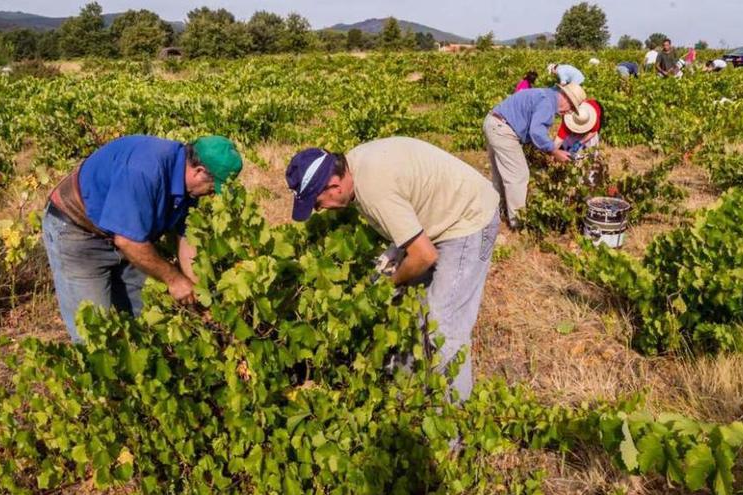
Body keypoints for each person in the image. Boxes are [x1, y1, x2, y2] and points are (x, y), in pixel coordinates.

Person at [285, 137, 500, 402]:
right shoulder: (356, 166)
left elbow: (424, 255)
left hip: (468, 220)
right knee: (410, 310)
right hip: (437, 220)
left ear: (334, 185)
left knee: (443, 325)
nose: (320, 211)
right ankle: (407, 398)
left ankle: (452, 427)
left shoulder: (373, 190)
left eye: (317, 203)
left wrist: (391, 283)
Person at [43, 135, 242, 343]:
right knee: (95, 333)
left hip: (127, 238)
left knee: (144, 321)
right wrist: (174, 280)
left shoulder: (186, 185)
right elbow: (127, 241)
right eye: (213, 187)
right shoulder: (145, 170)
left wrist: (197, 291)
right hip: (78, 234)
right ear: (199, 172)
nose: (212, 194)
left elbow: (187, 238)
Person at [483, 83, 587, 228]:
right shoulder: (547, 103)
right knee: (519, 175)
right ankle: (518, 224)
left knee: (500, 175)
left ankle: (493, 214)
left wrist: (546, 150)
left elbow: (532, 129)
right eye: (571, 107)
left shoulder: (544, 95)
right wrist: (554, 151)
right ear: (566, 98)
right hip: (503, 129)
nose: (569, 112)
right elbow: (536, 132)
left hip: (494, 122)